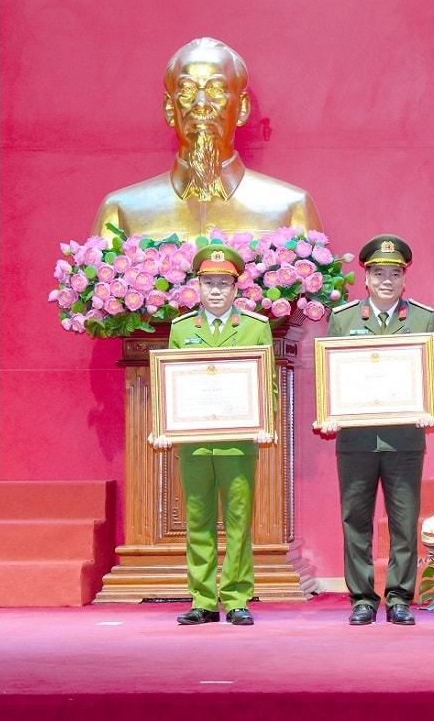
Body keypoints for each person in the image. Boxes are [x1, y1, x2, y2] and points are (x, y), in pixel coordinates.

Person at [318, 235, 434, 626]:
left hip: (404, 438)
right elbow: (330, 375)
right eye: (379, 274)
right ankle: (362, 599)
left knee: (404, 523)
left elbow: (433, 375)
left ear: (404, 279)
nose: (387, 281)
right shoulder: (344, 319)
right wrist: (330, 412)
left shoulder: (422, 319)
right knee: (356, 520)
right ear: (366, 278)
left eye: (395, 274)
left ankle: (400, 597)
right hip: (356, 439)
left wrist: (428, 407)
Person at [92, 37, 322, 242]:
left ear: (242, 107)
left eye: (216, 89)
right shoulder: (122, 212)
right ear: (170, 108)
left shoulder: (290, 209)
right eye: (187, 90)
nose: (201, 104)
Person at [157, 244, 275, 625]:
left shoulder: (255, 327)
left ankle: (237, 598)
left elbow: (268, 385)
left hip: (238, 444)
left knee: (239, 522)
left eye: (224, 284)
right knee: (198, 522)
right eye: (209, 283)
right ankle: (203, 600)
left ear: (236, 288)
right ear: (197, 286)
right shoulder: (181, 329)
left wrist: (264, 423)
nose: (216, 291)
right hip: (194, 444)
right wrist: (164, 424)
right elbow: (170, 384)